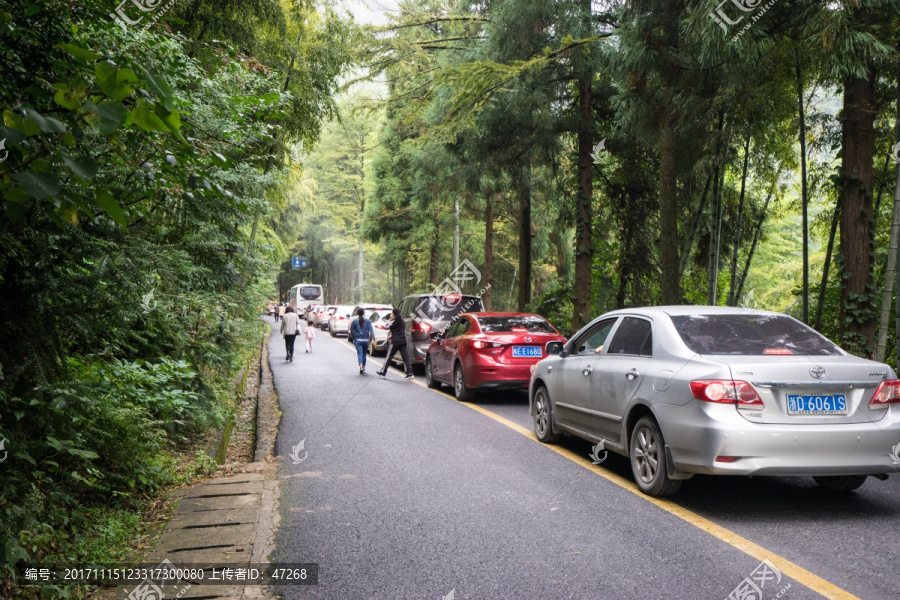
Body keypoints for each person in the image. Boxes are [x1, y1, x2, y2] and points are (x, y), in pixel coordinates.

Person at [377, 307, 414, 380]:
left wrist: (389, 319)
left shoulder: (393, 322)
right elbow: (399, 331)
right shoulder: (403, 321)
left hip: (395, 342)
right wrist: (391, 336)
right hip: (403, 341)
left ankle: (383, 372)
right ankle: (410, 373)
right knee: (406, 357)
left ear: (393, 314)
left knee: (389, 357)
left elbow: (386, 327)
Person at [349, 308, 375, 374]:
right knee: (364, 354)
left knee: (360, 354)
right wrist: (373, 338)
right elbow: (371, 330)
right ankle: (364, 366)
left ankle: (360, 365)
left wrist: (354, 338)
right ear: (363, 313)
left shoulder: (354, 321)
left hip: (358, 340)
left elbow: (352, 330)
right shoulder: (368, 321)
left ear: (357, 313)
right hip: (366, 340)